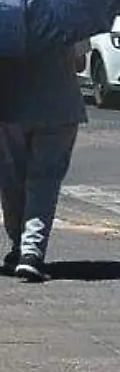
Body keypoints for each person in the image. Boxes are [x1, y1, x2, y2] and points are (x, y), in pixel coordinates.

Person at [0, 41, 87, 283]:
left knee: (11, 179)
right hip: (57, 106)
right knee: (44, 181)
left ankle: (20, 246)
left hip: (8, 105)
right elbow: (80, 64)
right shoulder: (65, 9)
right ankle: (31, 252)